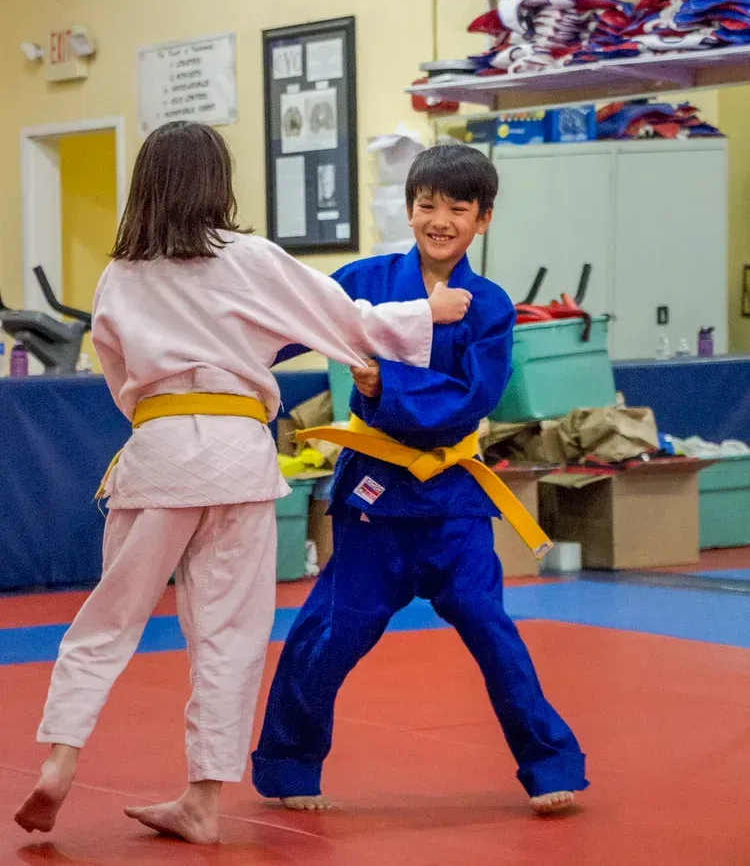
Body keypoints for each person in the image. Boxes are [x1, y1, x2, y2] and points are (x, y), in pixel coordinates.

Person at [14, 122, 471, 846]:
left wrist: (163, 415)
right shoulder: (251, 258)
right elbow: (341, 319)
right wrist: (429, 312)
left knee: (108, 619)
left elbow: (116, 375)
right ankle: (201, 798)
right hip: (238, 454)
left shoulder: (120, 274)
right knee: (230, 634)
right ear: (217, 182)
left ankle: (61, 755)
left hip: (160, 448)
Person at [252, 143, 588, 816]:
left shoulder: (490, 306)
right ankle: (289, 763)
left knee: (492, 627)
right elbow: (284, 329)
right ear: (409, 208)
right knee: (332, 631)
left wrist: (382, 382)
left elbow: (475, 397)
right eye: (427, 204)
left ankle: (550, 760)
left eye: (457, 208)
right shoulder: (365, 278)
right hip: (374, 497)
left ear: (482, 219)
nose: (440, 219)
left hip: (452, 504)